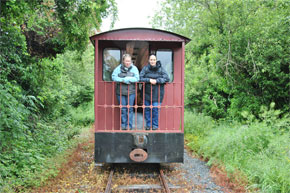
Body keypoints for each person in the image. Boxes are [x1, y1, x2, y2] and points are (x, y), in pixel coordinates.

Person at [140, 54, 169, 130]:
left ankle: (155, 126)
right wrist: (149, 80)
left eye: (154, 60)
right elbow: (140, 78)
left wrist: (156, 81)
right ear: (149, 61)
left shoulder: (161, 69)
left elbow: (167, 78)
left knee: (155, 110)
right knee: (147, 110)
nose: (152, 61)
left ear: (156, 60)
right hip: (146, 93)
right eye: (151, 60)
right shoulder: (145, 69)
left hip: (157, 94)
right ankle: (148, 125)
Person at [112, 54, 139, 130]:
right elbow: (113, 77)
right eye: (126, 61)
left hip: (131, 92)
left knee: (129, 109)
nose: (128, 62)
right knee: (123, 109)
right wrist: (123, 80)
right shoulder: (118, 68)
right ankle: (123, 125)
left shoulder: (134, 68)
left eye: (129, 61)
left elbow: (137, 78)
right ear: (123, 61)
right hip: (120, 92)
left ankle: (129, 126)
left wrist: (127, 78)